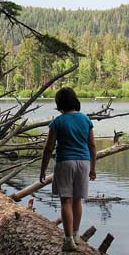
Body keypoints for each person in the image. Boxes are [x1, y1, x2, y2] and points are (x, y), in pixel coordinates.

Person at [40, 87, 96, 252]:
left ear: (59, 103)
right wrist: (93, 168)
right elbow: (92, 145)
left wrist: (42, 170)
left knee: (66, 200)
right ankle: (77, 235)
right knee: (77, 200)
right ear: (74, 100)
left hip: (65, 162)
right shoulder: (86, 120)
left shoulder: (58, 122)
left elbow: (48, 148)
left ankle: (68, 239)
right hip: (84, 162)